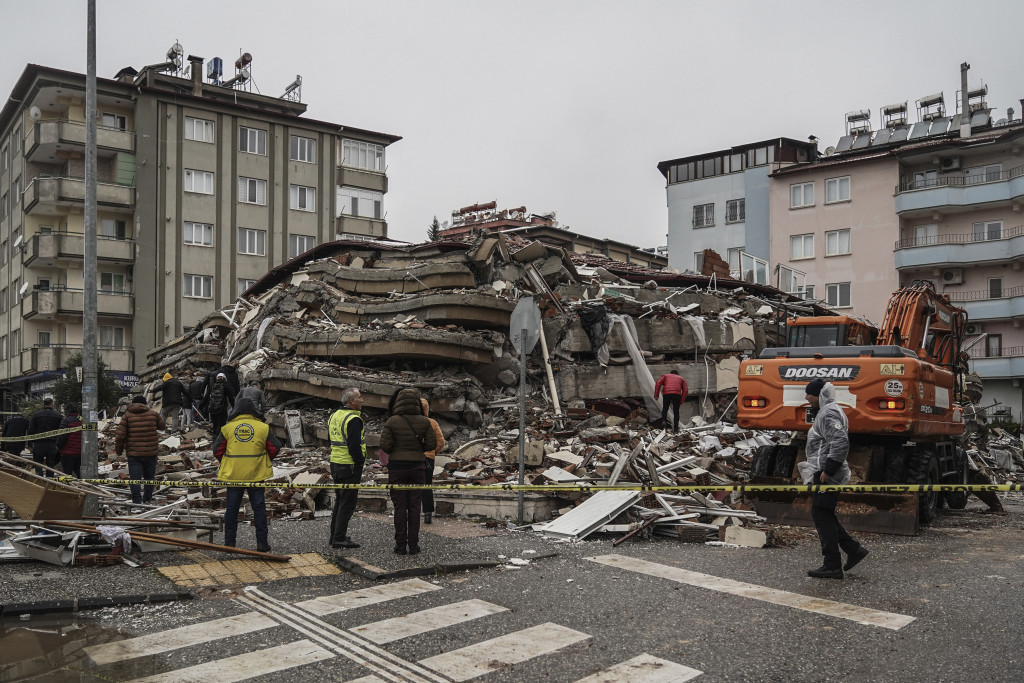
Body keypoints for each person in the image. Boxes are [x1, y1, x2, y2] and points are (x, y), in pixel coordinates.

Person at [803, 378, 868, 579]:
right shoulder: (827, 411)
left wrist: (829, 470)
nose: (807, 398)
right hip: (824, 471)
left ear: (819, 395)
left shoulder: (829, 413)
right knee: (823, 513)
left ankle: (832, 564)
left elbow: (840, 442)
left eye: (809, 394)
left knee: (821, 514)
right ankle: (853, 549)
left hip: (827, 473)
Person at [212, 397, 281, 552]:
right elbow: (275, 447)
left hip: (233, 475)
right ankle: (262, 544)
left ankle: (229, 544)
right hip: (256, 475)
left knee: (232, 509)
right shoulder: (263, 428)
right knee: (259, 509)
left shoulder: (227, 428)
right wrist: (264, 460)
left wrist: (228, 462)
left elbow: (217, 450)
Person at [379, 387, 436, 555]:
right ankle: (414, 545)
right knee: (415, 506)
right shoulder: (425, 421)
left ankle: (400, 545)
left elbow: (385, 445)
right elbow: (432, 445)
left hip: (397, 468)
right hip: (417, 467)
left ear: (398, 402)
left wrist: (397, 450)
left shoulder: (392, 421)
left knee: (399, 507)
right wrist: (418, 449)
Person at [328, 388, 366, 549]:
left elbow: (331, 440)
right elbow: (354, 446)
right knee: (347, 503)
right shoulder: (353, 419)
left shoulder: (334, 415)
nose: (362, 400)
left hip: (335, 462)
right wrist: (360, 462)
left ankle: (335, 535)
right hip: (349, 464)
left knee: (340, 501)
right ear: (351, 401)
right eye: (359, 397)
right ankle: (339, 537)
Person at [115, 395, 166, 504]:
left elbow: (120, 436)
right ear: (145, 404)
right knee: (149, 478)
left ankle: (137, 502)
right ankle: (147, 500)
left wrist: (118, 451)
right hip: (151, 453)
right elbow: (162, 427)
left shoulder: (127, 416)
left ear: (132, 404)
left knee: (135, 479)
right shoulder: (154, 414)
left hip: (134, 454)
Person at [420, 397, 445, 525]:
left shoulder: (409, 422)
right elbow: (441, 441)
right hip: (428, 459)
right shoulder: (432, 423)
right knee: (427, 485)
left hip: (413, 458)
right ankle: (428, 513)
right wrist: (433, 453)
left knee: (411, 485)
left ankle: (410, 512)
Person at [28, 398, 63, 477]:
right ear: (52, 404)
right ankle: (49, 480)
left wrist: (30, 444)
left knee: (38, 463)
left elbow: (31, 430)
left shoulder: (37, 415)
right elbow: (62, 431)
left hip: (39, 443)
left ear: (43, 405)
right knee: (51, 463)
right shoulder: (58, 416)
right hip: (53, 444)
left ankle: (39, 479)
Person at [55, 404, 83, 477]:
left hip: (68, 453)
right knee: (80, 473)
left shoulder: (66, 421)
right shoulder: (82, 421)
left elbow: (62, 437)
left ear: (67, 412)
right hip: (80, 452)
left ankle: (68, 484)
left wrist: (58, 446)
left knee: (67, 474)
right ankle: (82, 484)